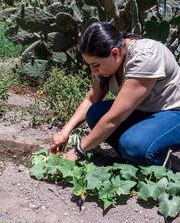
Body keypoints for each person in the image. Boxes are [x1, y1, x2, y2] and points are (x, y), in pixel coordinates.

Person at [50, 22, 180, 166]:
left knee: (134, 146)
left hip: (173, 113)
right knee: (95, 113)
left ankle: (162, 163)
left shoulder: (145, 56)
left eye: (96, 65)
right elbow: (91, 99)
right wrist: (65, 131)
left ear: (115, 53)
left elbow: (115, 118)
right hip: (147, 111)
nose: (93, 71)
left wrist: (79, 150)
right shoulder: (110, 61)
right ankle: (134, 155)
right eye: (90, 65)